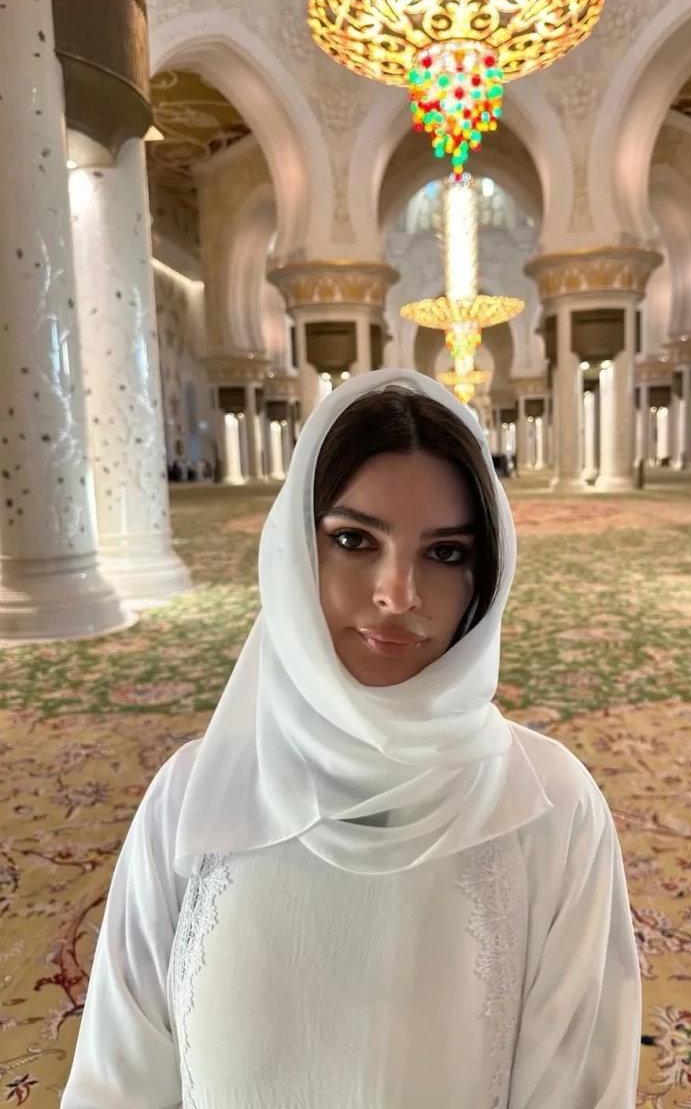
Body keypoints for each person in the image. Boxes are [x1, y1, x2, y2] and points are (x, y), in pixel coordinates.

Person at [61, 369, 641, 1109]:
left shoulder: (551, 808)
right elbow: (117, 1087)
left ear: (486, 575)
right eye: (353, 539)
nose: (398, 593)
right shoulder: (191, 798)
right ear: (295, 553)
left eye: (445, 553)